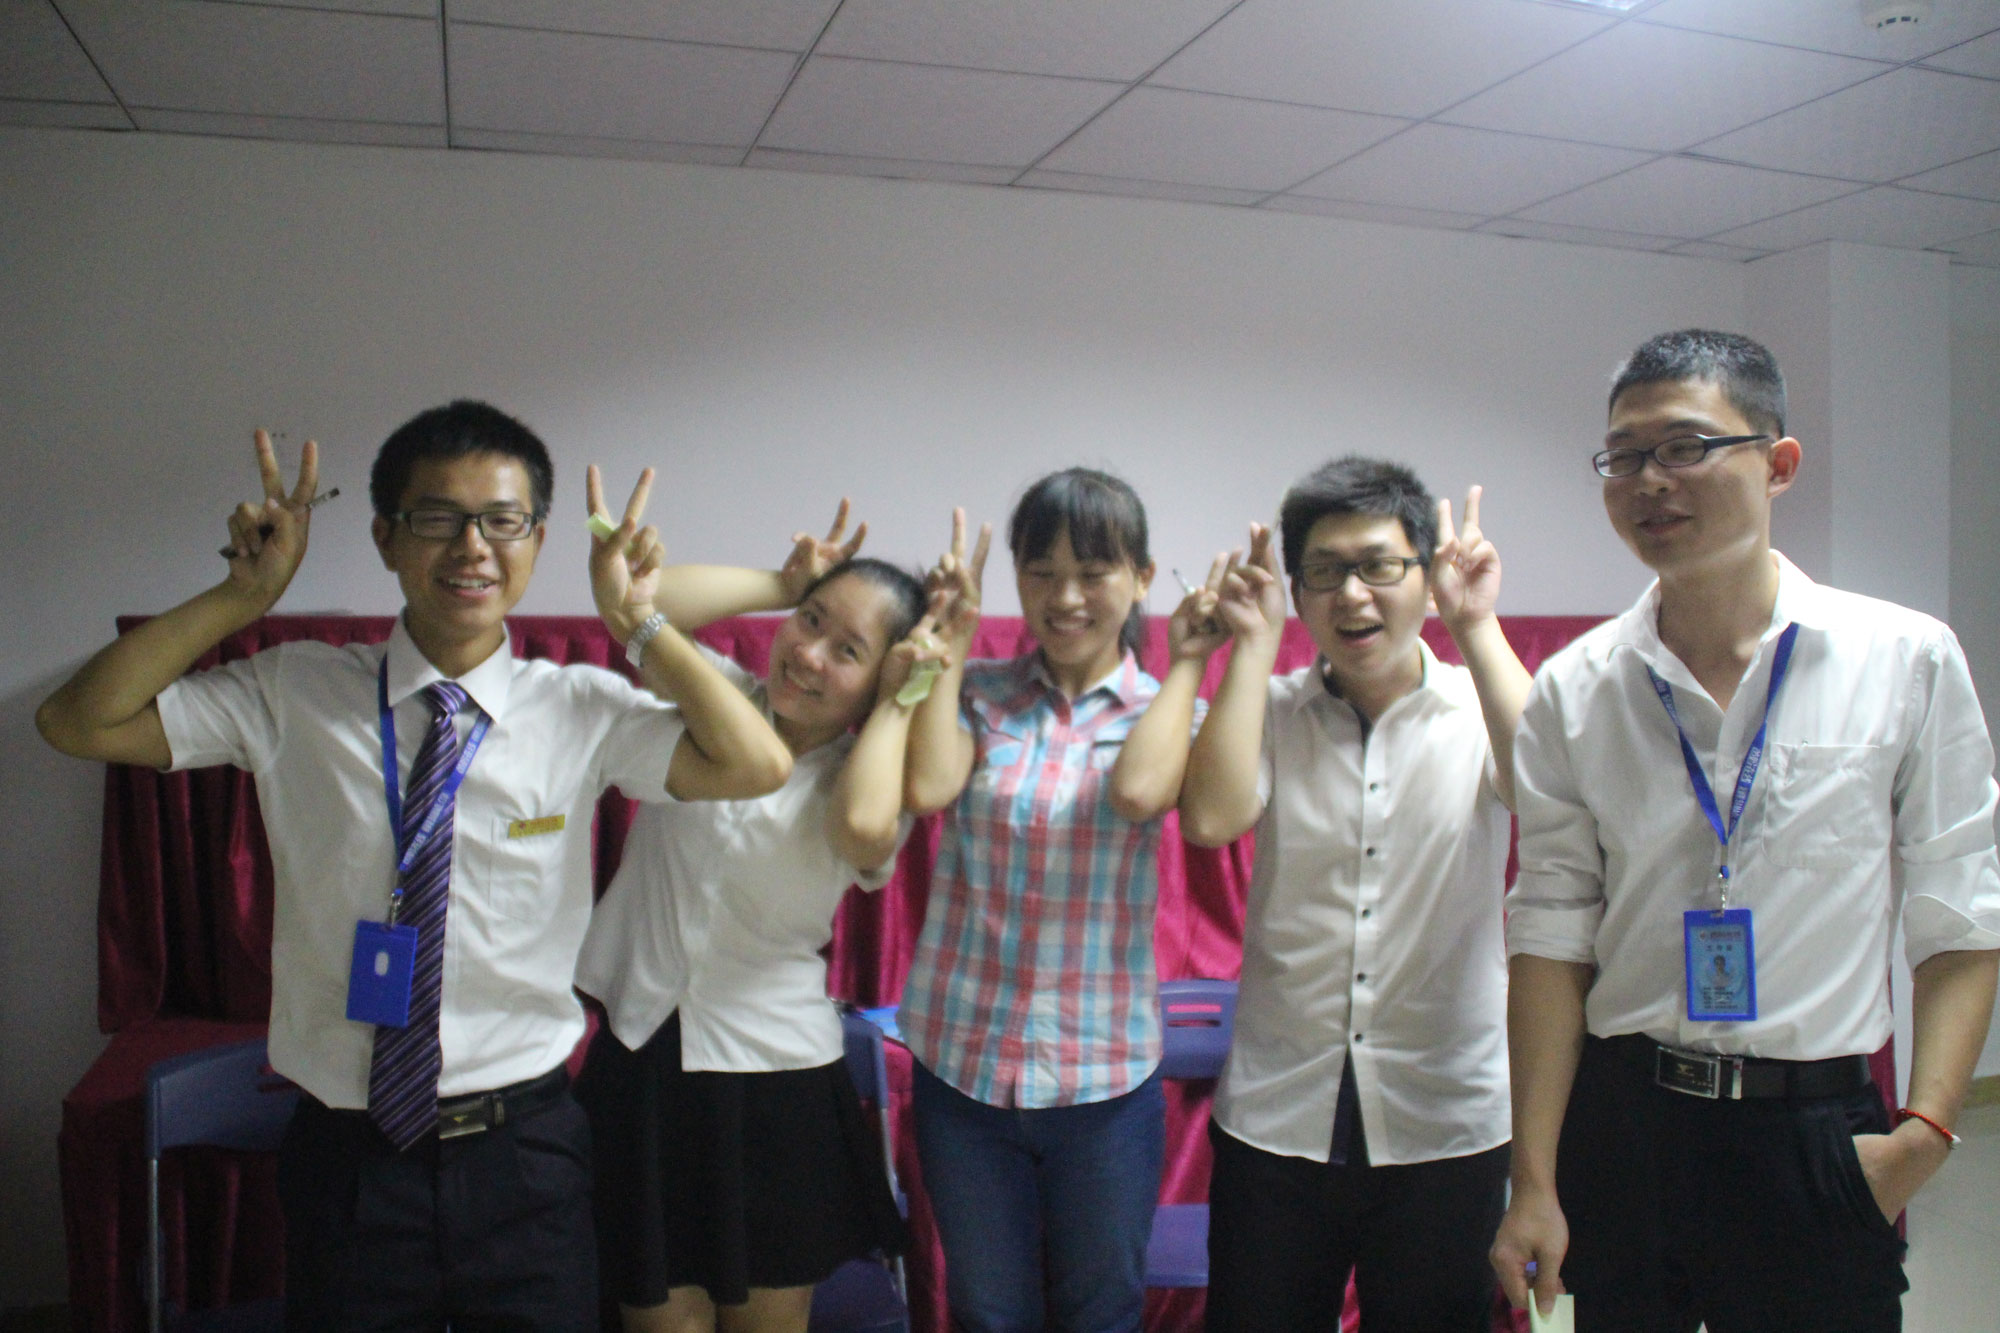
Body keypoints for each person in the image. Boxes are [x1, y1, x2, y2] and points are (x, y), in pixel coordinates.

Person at [36, 404, 792, 1330]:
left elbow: (758, 763)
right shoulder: (295, 692)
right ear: (386, 537)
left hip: (525, 1154)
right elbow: (77, 720)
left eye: (503, 520)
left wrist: (639, 623)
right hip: (351, 1158)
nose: (472, 546)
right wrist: (240, 599)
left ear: (538, 538)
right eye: (438, 517)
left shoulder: (580, 708)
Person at [1490, 330, 2000, 1332]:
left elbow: (1961, 909)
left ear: (1778, 463)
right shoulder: (1573, 689)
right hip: (1626, 1123)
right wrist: (1534, 1178)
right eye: (1623, 456)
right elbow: (1549, 935)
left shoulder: (1903, 658)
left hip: (1812, 1128)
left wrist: (1925, 1133)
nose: (1649, 480)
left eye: (1684, 447)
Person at [572, 497, 942, 1333]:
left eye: (847, 650)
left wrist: (897, 704)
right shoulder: (716, 702)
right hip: (641, 1060)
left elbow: (861, 830)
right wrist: (782, 582)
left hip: (775, 1081)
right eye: (809, 621)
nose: (807, 654)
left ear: (882, 677)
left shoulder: (871, 776)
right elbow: (642, 597)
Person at [1179, 459, 1530, 1332]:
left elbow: (1550, 788)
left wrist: (1476, 624)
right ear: (1298, 591)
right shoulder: (1271, 709)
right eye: (1325, 572)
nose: (1352, 595)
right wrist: (1252, 646)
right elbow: (1211, 818)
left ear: (1426, 573)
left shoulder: (1479, 703)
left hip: (1444, 1116)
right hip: (1279, 1113)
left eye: (1378, 565)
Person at [899, 471, 1218, 1333]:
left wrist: (1189, 659)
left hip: (1102, 1080)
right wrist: (950, 644)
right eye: (1041, 571)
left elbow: (1142, 793)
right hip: (962, 1068)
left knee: (1100, 1313)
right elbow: (927, 787)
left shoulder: (1170, 710)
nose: (1066, 596)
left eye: (1093, 571)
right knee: (989, 1313)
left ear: (1142, 577)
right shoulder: (978, 692)